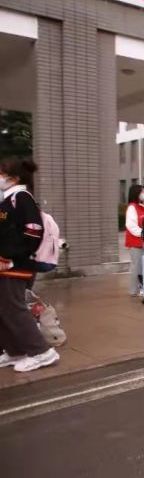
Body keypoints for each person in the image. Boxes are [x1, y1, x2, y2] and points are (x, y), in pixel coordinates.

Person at [0, 158, 60, 372]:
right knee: (4, 309)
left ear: (13, 178)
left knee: (14, 308)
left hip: (16, 264)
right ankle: (15, 351)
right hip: (6, 263)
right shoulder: (7, 199)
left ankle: (43, 352)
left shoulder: (21, 197)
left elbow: (33, 231)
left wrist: (13, 257)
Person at [125, 184, 144, 297]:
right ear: (136, 193)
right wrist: (143, 233)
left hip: (142, 241)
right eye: (142, 192)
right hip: (135, 242)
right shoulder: (132, 207)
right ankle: (134, 290)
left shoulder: (141, 207)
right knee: (136, 266)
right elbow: (131, 225)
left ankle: (141, 287)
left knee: (141, 267)